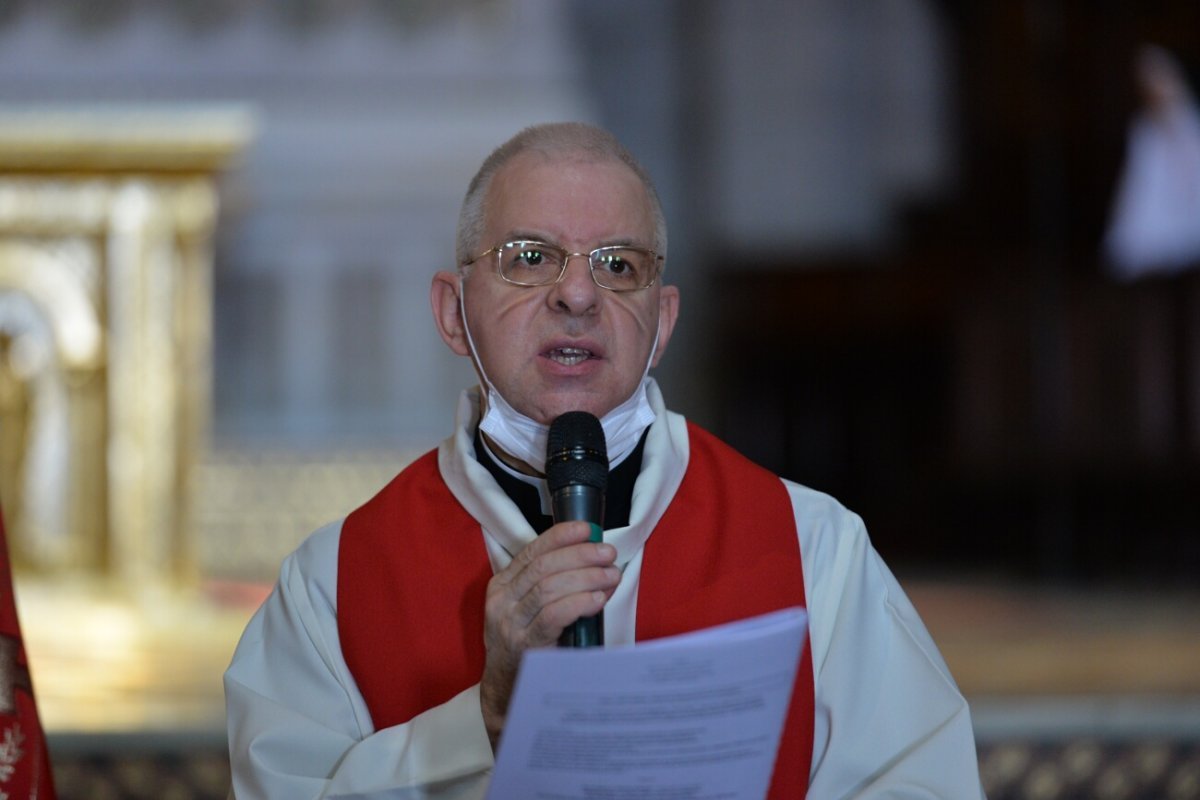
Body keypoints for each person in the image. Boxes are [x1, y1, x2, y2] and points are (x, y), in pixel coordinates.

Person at [224, 122, 984, 798]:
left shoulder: (814, 547)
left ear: (662, 324)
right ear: (454, 313)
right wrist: (485, 717)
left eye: (619, 265)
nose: (579, 295)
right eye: (530, 258)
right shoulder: (334, 583)